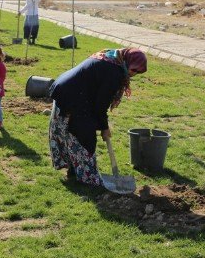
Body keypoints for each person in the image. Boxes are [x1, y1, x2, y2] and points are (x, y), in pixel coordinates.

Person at [48, 48, 148, 185]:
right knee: (85, 137)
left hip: (69, 91)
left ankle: (75, 171)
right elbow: (101, 105)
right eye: (134, 69)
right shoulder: (114, 72)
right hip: (71, 96)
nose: (134, 74)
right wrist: (104, 128)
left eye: (138, 72)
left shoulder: (110, 58)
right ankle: (87, 179)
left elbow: (98, 100)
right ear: (127, 61)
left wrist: (102, 126)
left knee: (77, 132)